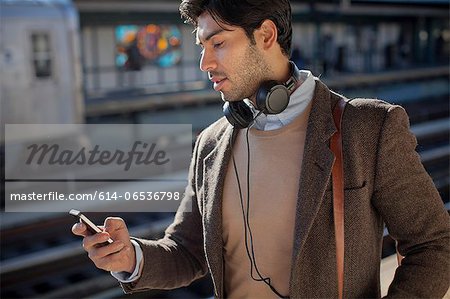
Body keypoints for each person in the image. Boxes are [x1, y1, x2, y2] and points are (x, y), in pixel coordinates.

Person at [72, 0, 450, 298]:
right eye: (202, 46)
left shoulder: (367, 128)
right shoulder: (210, 145)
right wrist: (130, 257)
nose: (205, 63)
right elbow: (187, 251)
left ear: (266, 35)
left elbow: (433, 244)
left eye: (218, 43)